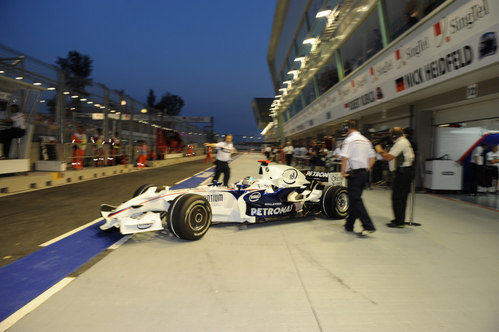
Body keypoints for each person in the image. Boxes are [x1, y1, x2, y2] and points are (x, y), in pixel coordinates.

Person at [340, 120, 376, 236]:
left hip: (354, 174)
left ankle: (368, 226)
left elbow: (344, 158)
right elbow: (373, 157)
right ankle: (349, 225)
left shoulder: (349, 140)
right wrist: (367, 169)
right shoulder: (366, 140)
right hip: (363, 173)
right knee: (354, 199)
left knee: (356, 200)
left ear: (347, 128)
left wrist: (343, 172)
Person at [376, 127, 415, 228]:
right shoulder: (401, 142)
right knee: (401, 198)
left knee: (398, 198)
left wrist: (379, 150)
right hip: (405, 172)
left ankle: (399, 222)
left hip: (403, 173)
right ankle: (399, 219)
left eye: (390, 135)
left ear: (394, 135)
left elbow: (389, 157)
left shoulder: (401, 142)